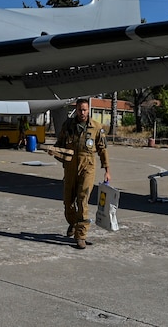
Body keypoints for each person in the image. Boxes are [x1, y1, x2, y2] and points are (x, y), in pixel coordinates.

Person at [54, 98, 110, 249]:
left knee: (82, 200)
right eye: (80, 110)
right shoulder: (68, 126)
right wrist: (56, 153)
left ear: (88, 110)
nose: (82, 113)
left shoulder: (96, 127)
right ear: (76, 110)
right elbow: (59, 145)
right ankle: (73, 223)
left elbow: (102, 149)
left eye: (85, 110)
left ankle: (81, 235)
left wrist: (107, 170)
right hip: (70, 168)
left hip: (87, 168)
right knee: (68, 202)